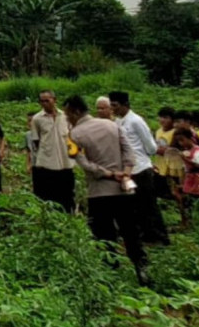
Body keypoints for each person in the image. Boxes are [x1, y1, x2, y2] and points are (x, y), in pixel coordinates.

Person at [63, 95, 149, 286]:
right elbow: (129, 151)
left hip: (99, 193)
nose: (67, 118)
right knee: (130, 230)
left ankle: (111, 275)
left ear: (76, 112)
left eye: (68, 114)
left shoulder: (74, 135)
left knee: (104, 234)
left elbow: (85, 165)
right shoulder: (113, 125)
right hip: (123, 191)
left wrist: (109, 174)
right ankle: (141, 267)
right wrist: (125, 172)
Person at [109, 91, 169, 245]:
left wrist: (143, 156)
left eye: (115, 105)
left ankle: (160, 237)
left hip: (141, 168)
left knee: (148, 204)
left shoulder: (136, 121)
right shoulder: (118, 122)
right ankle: (145, 235)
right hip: (128, 170)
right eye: (111, 105)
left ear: (125, 105)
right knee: (135, 204)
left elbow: (150, 146)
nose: (113, 108)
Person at [31, 90, 76, 213]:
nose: (45, 103)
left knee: (67, 192)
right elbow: (36, 141)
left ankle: (69, 216)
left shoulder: (66, 116)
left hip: (65, 162)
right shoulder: (37, 119)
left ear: (54, 100)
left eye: (47, 100)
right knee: (50, 193)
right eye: (42, 101)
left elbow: (72, 136)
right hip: (47, 162)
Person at [153, 106, 178, 199]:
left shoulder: (175, 133)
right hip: (159, 166)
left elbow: (171, 151)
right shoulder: (158, 131)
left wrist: (155, 149)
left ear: (173, 120)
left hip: (172, 168)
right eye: (161, 117)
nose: (162, 120)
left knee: (173, 193)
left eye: (166, 118)